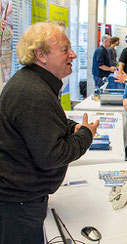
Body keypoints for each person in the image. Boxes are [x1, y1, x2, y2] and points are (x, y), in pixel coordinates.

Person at [0, 21, 99, 244]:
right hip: (20, 204)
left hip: (20, 199)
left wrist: (69, 127)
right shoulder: (33, 93)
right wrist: (85, 135)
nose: (73, 55)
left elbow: (44, 123)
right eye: (65, 49)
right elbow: (52, 155)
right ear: (41, 55)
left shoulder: (32, 83)